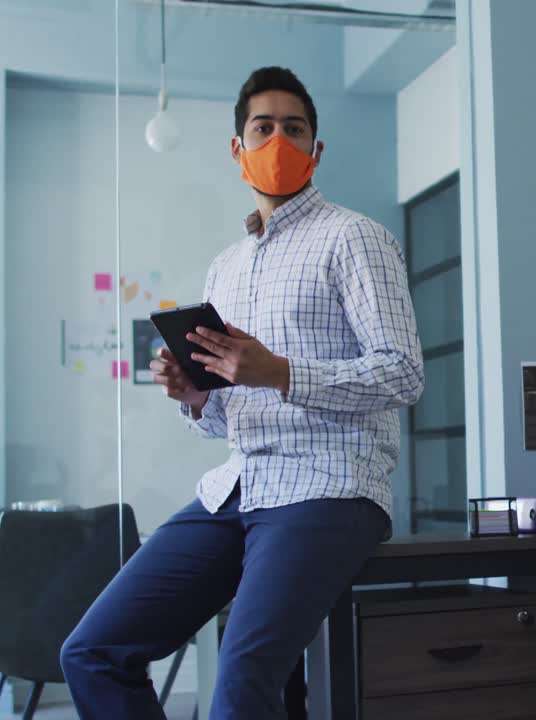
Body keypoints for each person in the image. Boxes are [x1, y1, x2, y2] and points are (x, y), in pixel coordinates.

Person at [59, 66, 424, 719]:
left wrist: (278, 371)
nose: (279, 138)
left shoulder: (355, 237)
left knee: (241, 679)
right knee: (92, 651)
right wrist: (196, 397)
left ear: (317, 149)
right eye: (264, 127)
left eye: (295, 127)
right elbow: (226, 420)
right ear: (238, 148)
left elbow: (403, 373)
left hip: (330, 485)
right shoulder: (225, 268)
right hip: (238, 487)